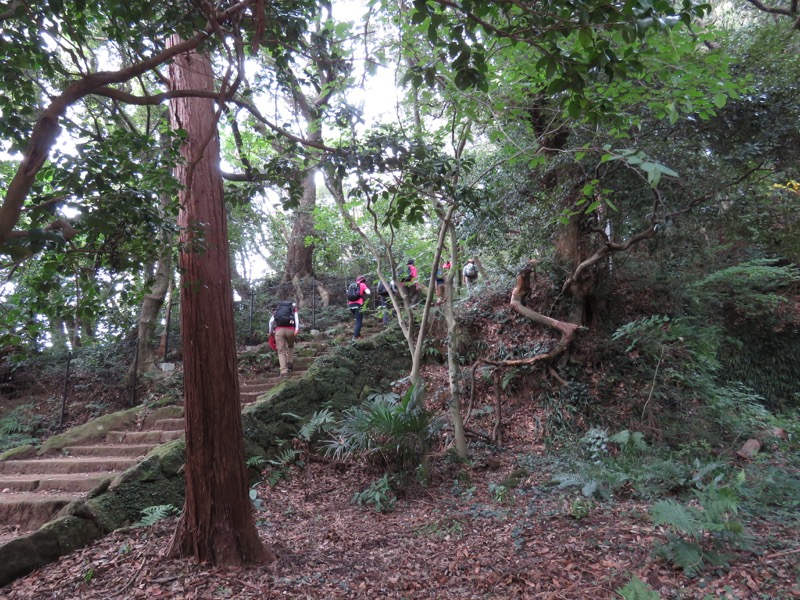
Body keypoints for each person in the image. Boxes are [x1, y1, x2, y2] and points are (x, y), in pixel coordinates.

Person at [269, 300, 300, 377]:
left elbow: (271, 321)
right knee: (290, 346)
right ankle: (290, 363)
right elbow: (296, 319)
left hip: (279, 331)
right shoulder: (292, 309)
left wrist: (270, 331)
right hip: (291, 330)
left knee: (281, 352)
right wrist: (296, 329)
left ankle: (283, 371)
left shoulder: (278, 310)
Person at [347, 275, 371, 339]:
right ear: (363, 280)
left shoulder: (352, 286)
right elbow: (368, 292)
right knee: (359, 322)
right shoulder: (362, 284)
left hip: (350, 305)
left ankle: (358, 335)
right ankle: (354, 338)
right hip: (358, 305)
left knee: (357, 320)